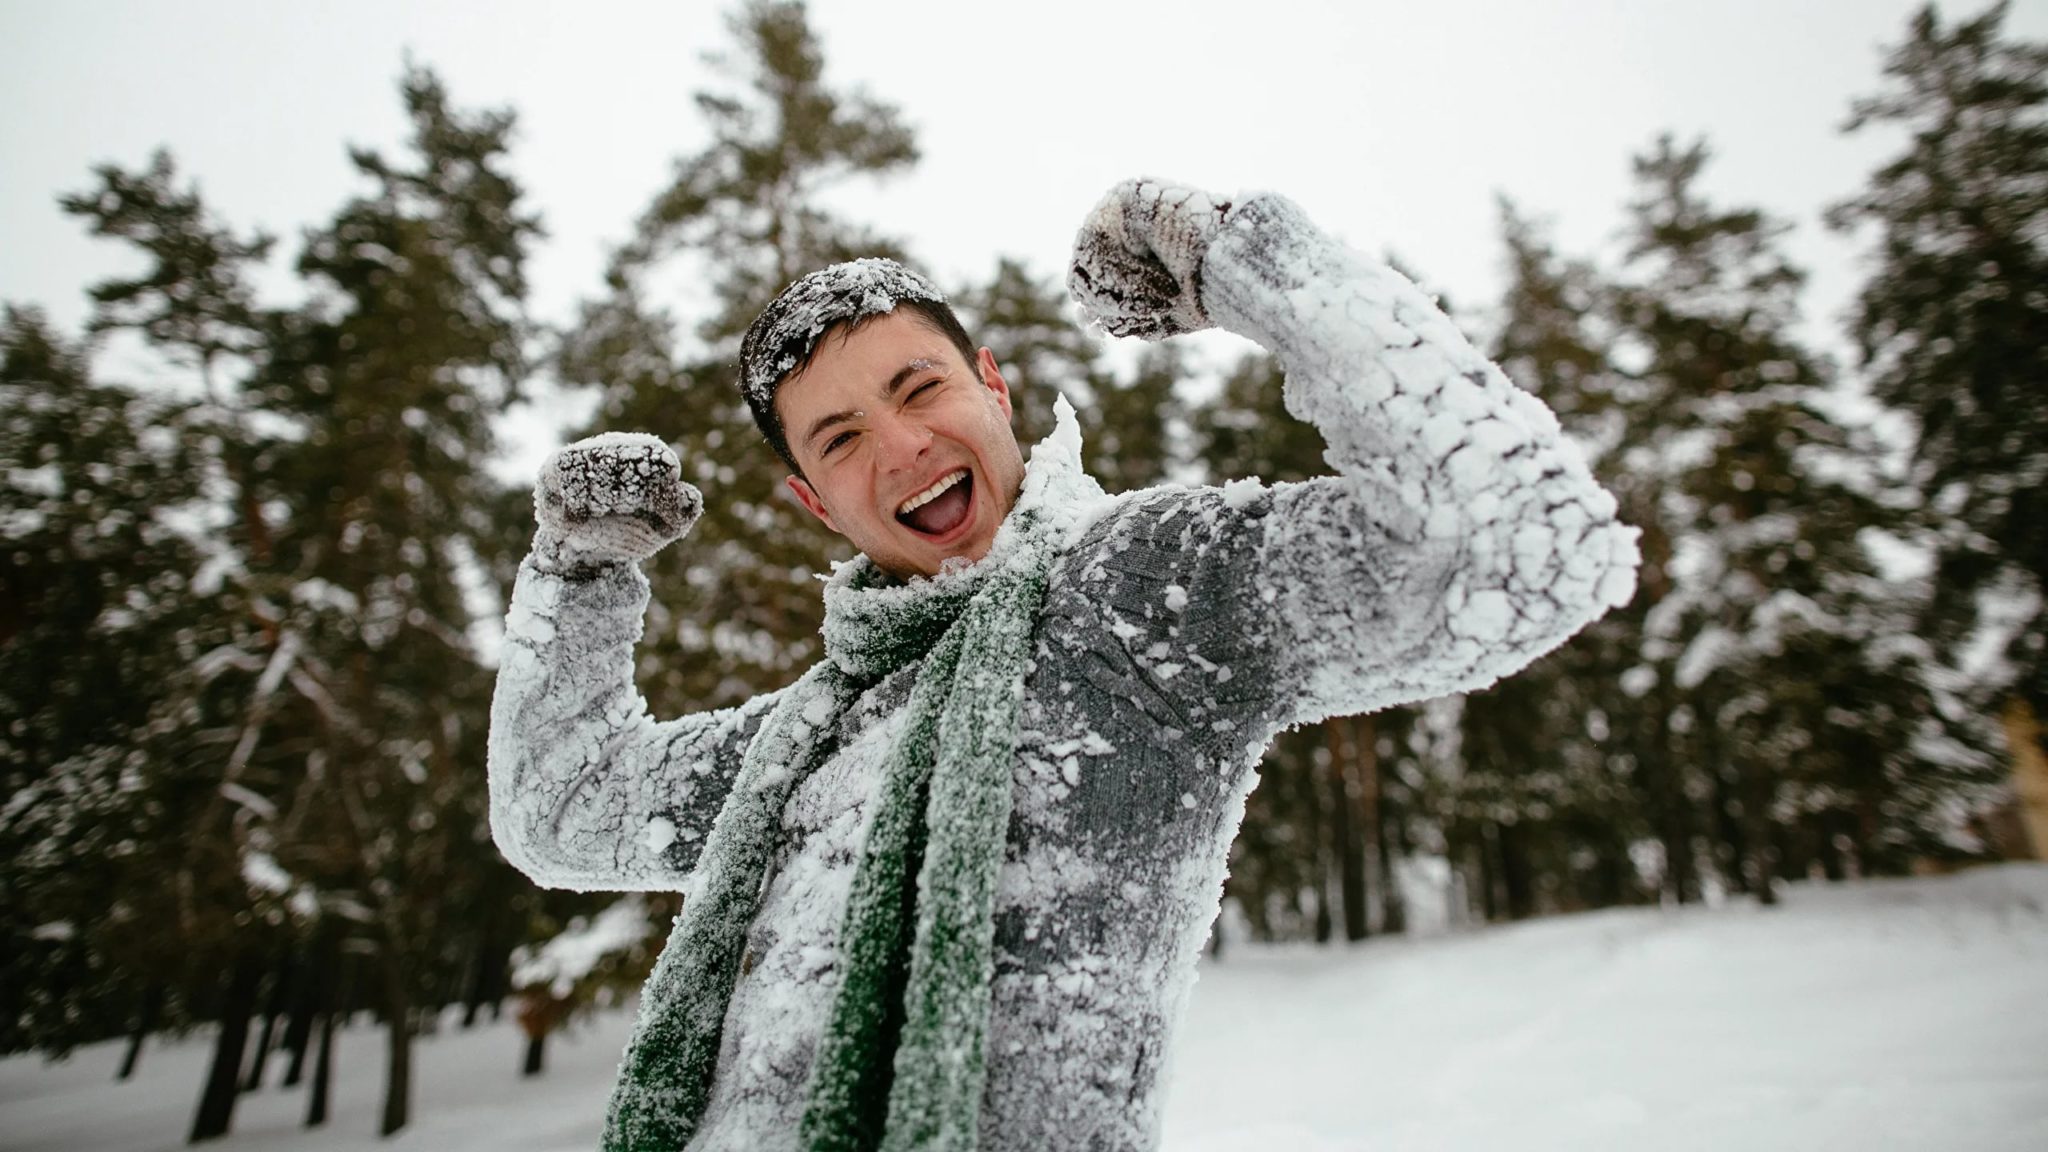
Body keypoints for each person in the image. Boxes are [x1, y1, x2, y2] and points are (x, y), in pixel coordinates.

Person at [488, 179, 1639, 1152]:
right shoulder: (802, 737)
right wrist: (579, 579)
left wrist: (1237, 260)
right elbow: (562, 808)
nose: (901, 448)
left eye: (918, 387)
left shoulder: (1145, 598)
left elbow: (1521, 546)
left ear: (992, 385)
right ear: (812, 503)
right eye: (838, 439)